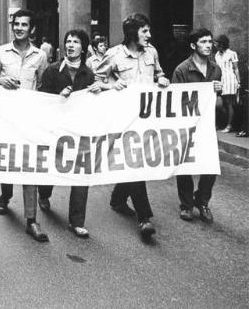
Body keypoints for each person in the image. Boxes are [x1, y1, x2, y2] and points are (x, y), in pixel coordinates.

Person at [92, 13, 170, 240]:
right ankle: (144, 218)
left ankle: (117, 199)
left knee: (136, 163)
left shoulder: (152, 52)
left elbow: (159, 73)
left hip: (146, 120)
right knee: (136, 164)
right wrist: (114, 84)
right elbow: (96, 82)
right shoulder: (114, 55)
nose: (149, 35)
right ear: (132, 32)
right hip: (123, 121)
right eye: (145, 31)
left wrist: (162, 79)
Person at [0, 9, 49, 242]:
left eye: (24, 24)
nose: (19, 28)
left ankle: (32, 220)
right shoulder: (0, 52)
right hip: (6, 118)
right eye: (16, 24)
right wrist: (0, 79)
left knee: (30, 166)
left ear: (31, 29)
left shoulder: (40, 55)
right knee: (7, 161)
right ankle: (5, 196)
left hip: (30, 119)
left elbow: (43, 85)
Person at [38, 29, 99, 238]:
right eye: (68, 41)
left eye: (76, 42)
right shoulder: (52, 70)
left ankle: (76, 221)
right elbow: (42, 101)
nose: (71, 45)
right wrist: (58, 96)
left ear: (83, 48)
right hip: (56, 130)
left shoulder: (88, 74)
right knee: (53, 168)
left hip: (80, 130)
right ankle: (44, 194)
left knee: (81, 174)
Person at [172, 29, 222, 223]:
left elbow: (218, 104)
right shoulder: (182, 70)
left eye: (210, 41)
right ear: (193, 46)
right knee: (184, 165)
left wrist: (218, 91)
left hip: (207, 125)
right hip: (186, 125)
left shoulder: (215, 69)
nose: (208, 45)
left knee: (211, 165)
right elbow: (175, 102)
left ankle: (201, 200)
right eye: (203, 42)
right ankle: (186, 205)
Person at [214, 34, 240, 133]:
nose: (214, 44)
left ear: (221, 43)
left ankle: (229, 126)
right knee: (218, 104)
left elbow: (236, 69)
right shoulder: (216, 54)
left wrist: (239, 82)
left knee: (229, 103)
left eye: (216, 42)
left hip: (230, 80)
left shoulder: (232, 53)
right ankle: (221, 123)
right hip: (220, 80)